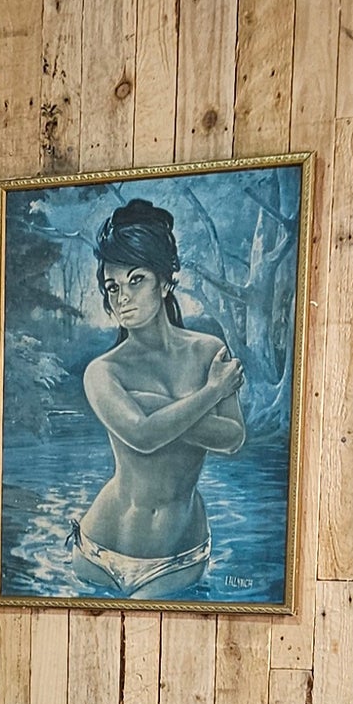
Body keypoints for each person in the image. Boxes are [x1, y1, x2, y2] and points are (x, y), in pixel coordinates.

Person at [70, 198, 245, 600]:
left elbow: (233, 438)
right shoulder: (103, 371)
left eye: (137, 280)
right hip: (99, 551)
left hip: (179, 556)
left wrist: (152, 410)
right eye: (112, 287)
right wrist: (211, 393)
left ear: (165, 281)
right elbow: (143, 437)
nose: (122, 298)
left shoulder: (208, 351)